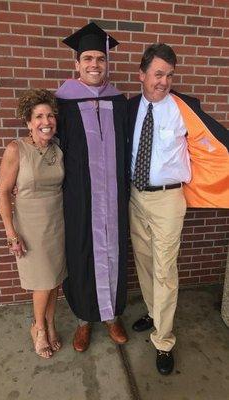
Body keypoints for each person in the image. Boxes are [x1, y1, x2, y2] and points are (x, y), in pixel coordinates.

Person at [128, 43, 229, 375]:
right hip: (135, 197)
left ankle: (164, 340)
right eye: (158, 74)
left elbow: (215, 142)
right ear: (142, 74)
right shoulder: (128, 109)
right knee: (144, 263)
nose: (164, 81)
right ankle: (154, 313)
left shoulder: (185, 108)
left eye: (169, 75)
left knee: (165, 270)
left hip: (169, 201)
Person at [55, 22, 129, 352]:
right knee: (80, 250)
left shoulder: (120, 102)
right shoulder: (63, 104)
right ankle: (84, 320)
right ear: (77, 64)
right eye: (88, 58)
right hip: (79, 198)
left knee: (114, 251)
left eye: (100, 58)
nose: (94, 64)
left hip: (113, 197)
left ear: (106, 63)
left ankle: (112, 315)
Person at [0, 89, 67, 359]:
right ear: (28, 122)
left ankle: (50, 323)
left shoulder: (58, 148)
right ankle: (38, 328)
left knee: (54, 280)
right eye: (38, 116)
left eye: (50, 115)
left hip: (57, 222)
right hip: (30, 225)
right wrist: (11, 234)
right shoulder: (16, 149)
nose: (45, 121)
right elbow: (3, 192)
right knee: (42, 281)